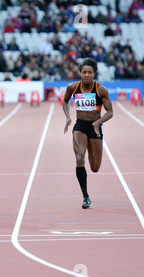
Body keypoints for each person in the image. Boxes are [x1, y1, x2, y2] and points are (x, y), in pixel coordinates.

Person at [62, 58, 113, 209]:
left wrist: (98, 122)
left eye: (89, 72)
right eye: (84, 72)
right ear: (80, 73)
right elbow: (65, 102)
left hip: (95, 128)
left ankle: (90, 147)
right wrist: (68, 117)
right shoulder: (72, 87)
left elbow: (110, 112)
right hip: (80, 126)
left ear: (94, 74)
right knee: (79, 158)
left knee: (95, 168)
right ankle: (85, 196)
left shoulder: (100, 89)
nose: (86, 75)